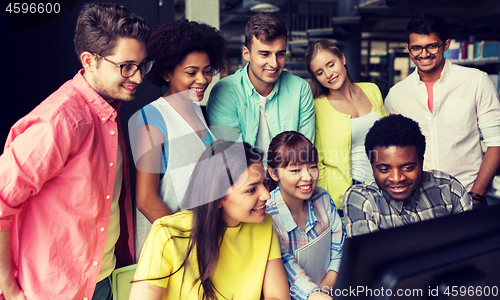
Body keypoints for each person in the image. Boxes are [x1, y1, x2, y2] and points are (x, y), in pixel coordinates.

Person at [0, 3, 151, 299]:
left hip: (103, 280)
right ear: (89, 60)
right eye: (126, 67)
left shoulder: (107, 111)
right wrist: (8, 287)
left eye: (143, 65)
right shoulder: (59, 121)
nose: (138, 77)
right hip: (55, 290)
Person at [129, 140, 291, 300]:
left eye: (264, 183)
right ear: (216, 198)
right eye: (251, 190)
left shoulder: (265, 225)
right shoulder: (166, 233)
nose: (266, 195)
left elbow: (277, 295)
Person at [128, 20, 226, 259]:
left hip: (203, 247)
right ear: (167, 72)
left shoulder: (198, 111)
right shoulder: (151, 118)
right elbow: (146, 200)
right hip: (171, 252)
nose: (202, 79)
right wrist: (189, 242)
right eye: (191, 72)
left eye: (206, 71)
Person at [384, 12, 500, 208]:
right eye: (416, 48)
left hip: (468, 196)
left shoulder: (477, 81)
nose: (424, 54)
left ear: (445, 45)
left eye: (431, 46)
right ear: (408, 48)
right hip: (416, 202)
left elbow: (496, 143)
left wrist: (477, 196)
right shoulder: (396, 95)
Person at [343, 114, 473, 237]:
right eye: (384, 169)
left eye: (407, 168)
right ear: (372, 166)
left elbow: (470, 246)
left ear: (421, 162)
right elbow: (369, 258)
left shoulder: (449, 189)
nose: (397, 178)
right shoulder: (362, 200)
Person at [207, 12, 315, 157]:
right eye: (265, 54)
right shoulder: (225, 92)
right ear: (246, 54)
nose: (274, 63)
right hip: (245, 178)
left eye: (280, 54)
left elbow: (303, 155)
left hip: (290, 177)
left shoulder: (300, 89)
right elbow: (232, 160)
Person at [304, 39, 386, 212]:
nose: (328, 74)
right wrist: (327, 199)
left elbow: (389, 137)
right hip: (346, 194)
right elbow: (316, 160)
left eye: (331, 64)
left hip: (384, 185)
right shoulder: (317, 106)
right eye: (319, 72)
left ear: (342, 58)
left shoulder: (372, 90)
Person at [265, 131, 345, 300]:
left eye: (312, 167)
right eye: (295, 170)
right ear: (273, 173)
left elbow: (340, 249)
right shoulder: (268, 218)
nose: (307, 177)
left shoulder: (322, 198)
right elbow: (291, 274)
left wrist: (323, 290)